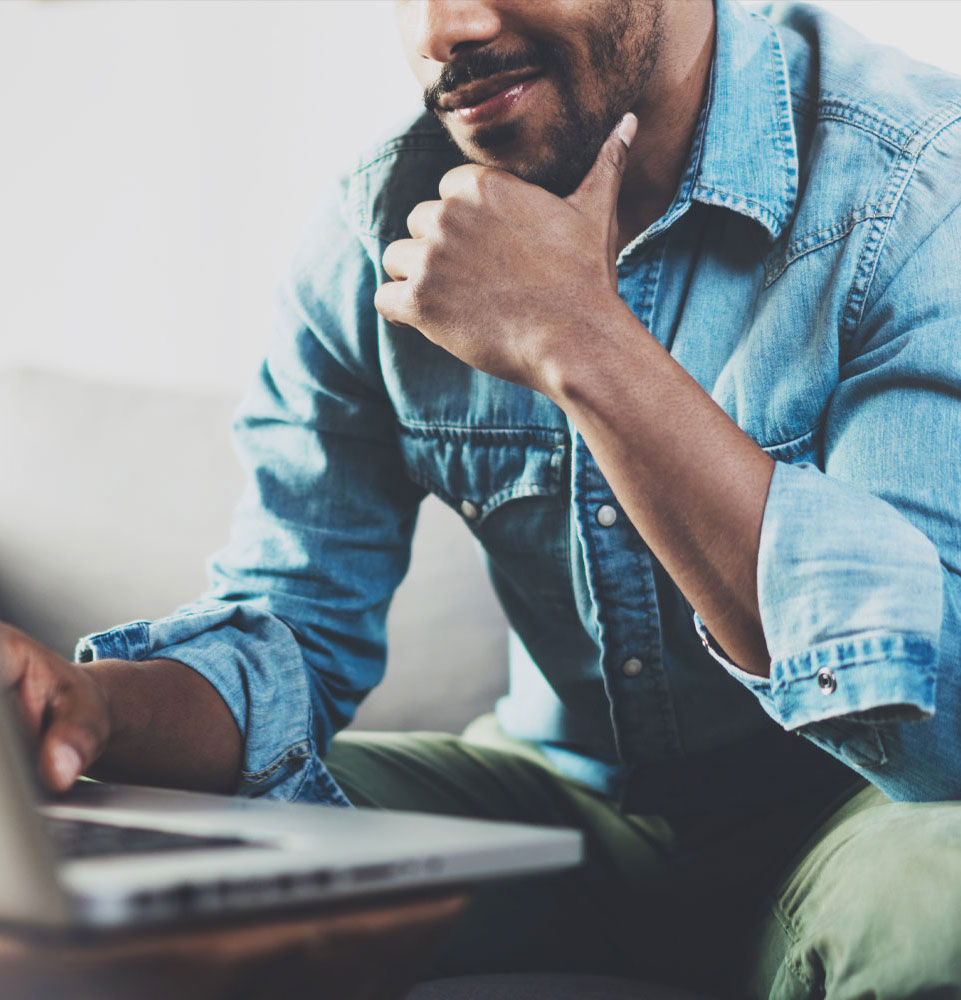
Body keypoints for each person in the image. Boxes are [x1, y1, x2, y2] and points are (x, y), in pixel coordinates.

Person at [4, 0, 961, 994]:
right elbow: (292, 636)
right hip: (558, 801)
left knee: (947, 894)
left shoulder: (916, 183)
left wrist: (581, 339)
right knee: (133, 843)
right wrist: (90, 710)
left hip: (853, 811)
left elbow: (943, 737)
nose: (444, 29)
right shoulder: (376, 229)